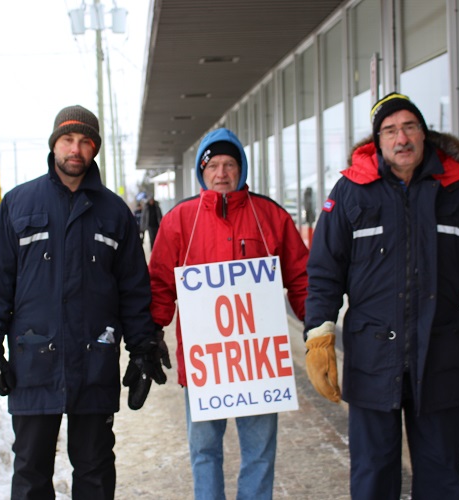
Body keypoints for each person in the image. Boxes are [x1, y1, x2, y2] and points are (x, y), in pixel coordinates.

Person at [303, 92, 459, 499]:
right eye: (390, 130)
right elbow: (324, 272)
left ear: (424, 134)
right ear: (378, 141)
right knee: (373, 475)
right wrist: (319, 333)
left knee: (442, 475)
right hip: (372, 357)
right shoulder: (352, 192)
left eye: (409, 127)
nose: (400, 138)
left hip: (440, 355)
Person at [0, 105, 168, 500]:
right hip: (32, 361)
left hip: (94, 361)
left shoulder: (114, 213)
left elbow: (133, 288)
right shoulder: (18, 205)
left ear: (94, 149)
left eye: (85, 141)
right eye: (68, 140)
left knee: (94, 468)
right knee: (30, 470)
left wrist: (143, 346)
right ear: (54, 144)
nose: (75, 149)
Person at [148, 127, 309, 499]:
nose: (222, 173)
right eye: (214, 165)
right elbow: (159, 284)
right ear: (202, 172)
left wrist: (315, 326)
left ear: (242, 169)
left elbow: (301, 275)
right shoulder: (179, 221)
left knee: (260, 452)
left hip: (258, 365)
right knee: (204, 451)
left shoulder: (269, 215)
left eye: (230, 164)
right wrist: (151, 334)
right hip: (207, 365)